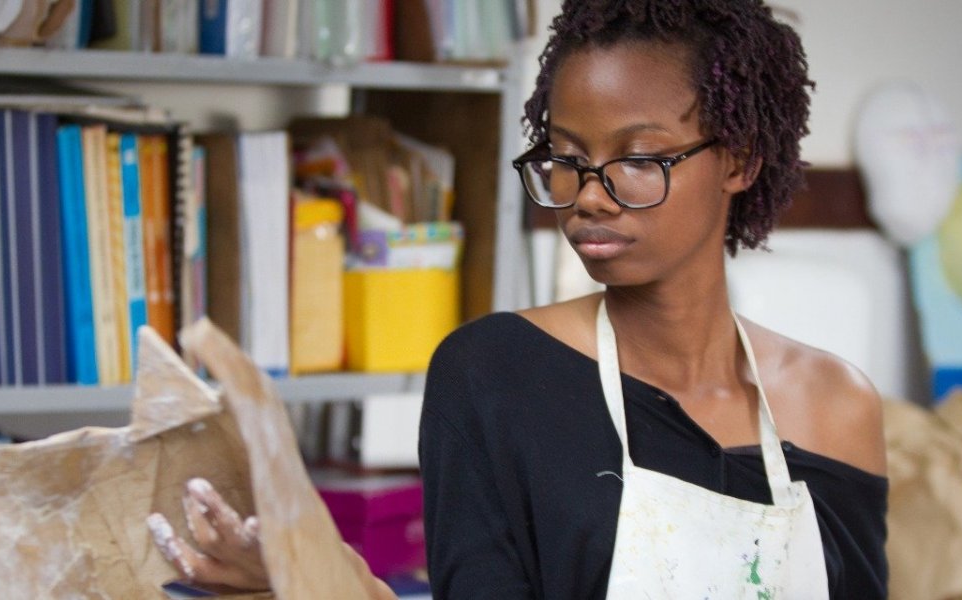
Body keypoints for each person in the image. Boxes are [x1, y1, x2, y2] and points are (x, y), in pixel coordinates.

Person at [151, 0, 888, 597]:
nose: (589, 198)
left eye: (636, 159)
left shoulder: (835, 406)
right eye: (566, 160)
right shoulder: (494, 374)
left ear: (739, 160)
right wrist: (308, 581)